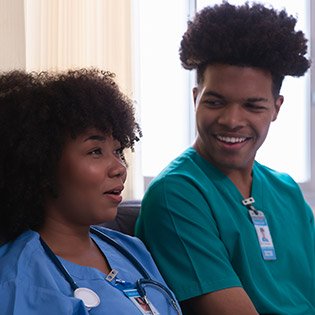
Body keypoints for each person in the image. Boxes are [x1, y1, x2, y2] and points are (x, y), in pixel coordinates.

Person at [135, 2, 315, 315]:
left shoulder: (286, 190)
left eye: (253, 106)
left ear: (276, 108)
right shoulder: (176, 195)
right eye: (216, 102)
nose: (232, 120)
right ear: (196, 99)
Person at [0, 69, 181, 315]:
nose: (119, 168)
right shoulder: (20, 277)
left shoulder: (131, 249)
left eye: (118, 151)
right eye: (95, 151)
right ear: (41, 164)